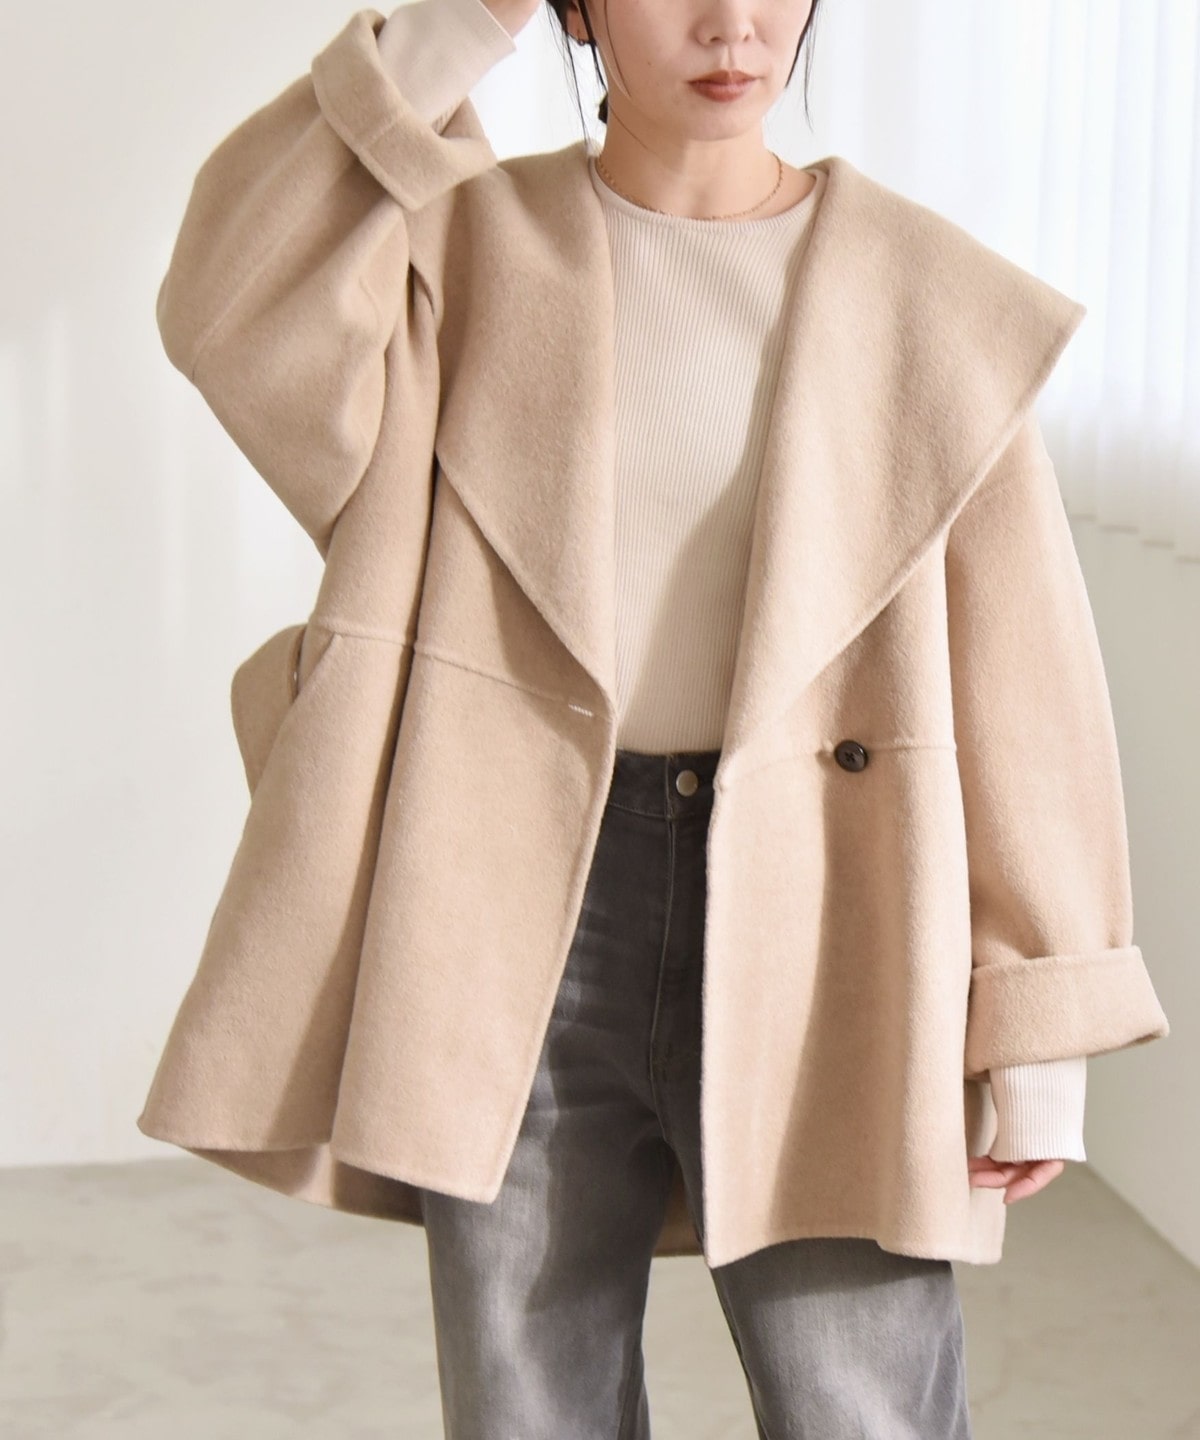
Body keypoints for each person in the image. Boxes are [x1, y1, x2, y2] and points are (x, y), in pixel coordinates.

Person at [138, 0, 1171, 1435]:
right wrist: (458, 24)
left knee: (862, 1401)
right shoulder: (457, 256)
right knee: (528, 1405)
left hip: (837, 905)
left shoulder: (927, 294)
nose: (732, 24)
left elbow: (1023, 671)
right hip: (511, 900)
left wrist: (1037, 1026)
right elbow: (227, 302)